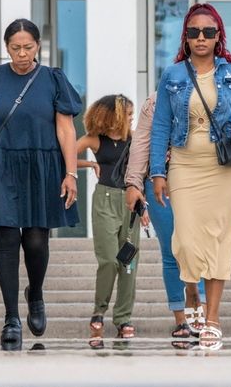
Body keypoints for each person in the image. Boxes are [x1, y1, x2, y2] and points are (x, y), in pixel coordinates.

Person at [0, 18, 81, 350]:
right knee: (8, 241)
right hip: (2, 167)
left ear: (38, 46)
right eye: (15, 48)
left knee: (38, 243)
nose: (22, 54)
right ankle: (11, 317)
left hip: (43, 167)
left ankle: (35, 293)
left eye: (28, 47)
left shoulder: (53, 79)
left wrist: (71, 174)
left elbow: (66, 130)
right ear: (6, 47)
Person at [150, 3, 231, 346]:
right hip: (184, 165)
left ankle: (212, 317)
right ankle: (191, 296)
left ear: (218, 37)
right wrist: (156, 172)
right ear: (186, 36)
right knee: (185, 241)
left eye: (208, 32)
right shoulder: (173, 74)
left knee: (220, 241)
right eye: (194, 32)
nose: (201, 38)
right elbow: (161, 126)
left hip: (223, 168)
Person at [124, 92, 211, 338]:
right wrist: (134, 184)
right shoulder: (155, 101)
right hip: (159, 183)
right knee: (171, 251)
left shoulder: (212, 95)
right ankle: (181, 320)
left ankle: (200, 310)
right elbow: (141, 144)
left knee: (198, 249)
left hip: (200, 182)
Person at [76, 94, 143, 341]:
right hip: (104, 200)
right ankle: (99, 311)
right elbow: (65, 155)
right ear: (113, 116)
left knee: (129, 262)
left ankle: (124, 317)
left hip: (131, 200)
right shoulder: (94, 139)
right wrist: (88, 164)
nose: (131, 118)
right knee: (108, 260)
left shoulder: (135, 139)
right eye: (127, 114)